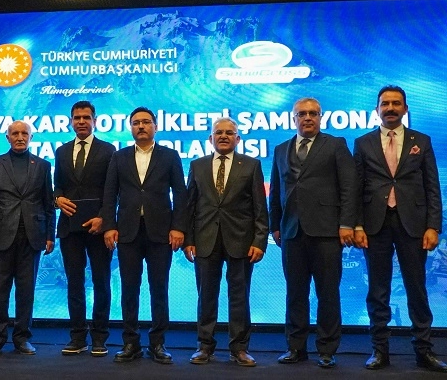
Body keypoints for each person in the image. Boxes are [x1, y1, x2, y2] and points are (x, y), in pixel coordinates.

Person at [353, 85, 446, 372]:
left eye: (396, 103)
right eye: (385, 104)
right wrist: (357, 225)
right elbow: (356, 188)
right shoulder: (363, 143)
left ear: (405, 109)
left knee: (416, 289)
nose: (390, 108)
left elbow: (432, 186)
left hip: (414, 224)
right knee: (378, 290)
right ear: (377, 109)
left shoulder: (422, 140)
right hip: (375, 225)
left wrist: (433, 226)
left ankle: (424, 351)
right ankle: (379, 350)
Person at [269, 97, 357, 369]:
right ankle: (296, 347)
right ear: (293, 118)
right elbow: (276, 190)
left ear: (320, 117)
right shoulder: (281, 149)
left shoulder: (336, 145)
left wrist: (346, 224)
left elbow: (349, 187)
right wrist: (275, 225)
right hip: (291, 232)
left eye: (313, 113)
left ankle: (327, 349)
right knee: (295, 293)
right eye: (302, 114)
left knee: (327, 293)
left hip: (327, 232)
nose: (307, 117)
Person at [101, 106, 187, 364]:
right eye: (136, 122)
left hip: (161, 232)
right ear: (131, 127)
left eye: (146, 122)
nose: (141, 126)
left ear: (155, 127)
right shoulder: (119, 157)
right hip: (127, 232)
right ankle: (131, 342)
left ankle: (158, 343)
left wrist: (178, 227)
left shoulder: (170, 156)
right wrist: (109, 225)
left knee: (159, 288)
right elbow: (110, 193)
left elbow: (180, 194)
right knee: (129, 289)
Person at [184, 117, 268, 367]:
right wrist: (188, 239)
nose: (223, 136)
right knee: (206, 296)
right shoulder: (197, 165)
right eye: (218, 132)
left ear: (237, 139)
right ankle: (204, 346)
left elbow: (260, 208)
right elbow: (189, 206)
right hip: (205, 240)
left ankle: (239, 348)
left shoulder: (251, 165)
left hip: (241, 241)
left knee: (239, 296)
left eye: (229, 133)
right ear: (210, 138)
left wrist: (259, 241)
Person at [0, 120, 55, 357]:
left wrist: (50, 235)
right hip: (0, 237)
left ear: (31, 137)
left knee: (26, 291)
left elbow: (48, 203)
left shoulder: (42, 166)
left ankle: (22, 338)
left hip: (32, 237)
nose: (20, 137)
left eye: (24, 133)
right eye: (15, 133)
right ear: (7, 137)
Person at [54, 101, 115, 357]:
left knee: (101, 282)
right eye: (77, 117)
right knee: (74, 283)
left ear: (94, 121)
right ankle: (77, 337)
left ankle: (100, 337)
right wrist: (57, 198)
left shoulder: (108, 150)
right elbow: (58, 185)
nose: (81, 121)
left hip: (98, 228)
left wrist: (104, 218)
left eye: (86, 117)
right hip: (69, 227)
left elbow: (112, 190)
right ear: (71, 121)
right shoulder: (61, 151)